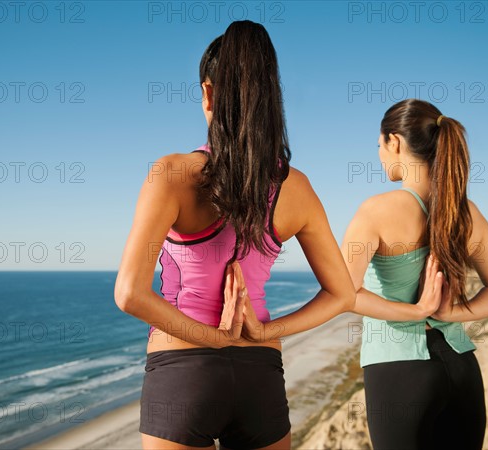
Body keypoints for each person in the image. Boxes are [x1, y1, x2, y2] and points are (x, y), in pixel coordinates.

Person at [114, 21, 357, 450]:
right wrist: (263, 332)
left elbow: (130, 293)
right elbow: (341, 295)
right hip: (260, 373)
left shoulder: (172, 174)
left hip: (181, 370)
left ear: (208, 93)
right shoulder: (296, 186)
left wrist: (214, 337)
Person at [338, 99, 488, 449]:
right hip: (462, 368)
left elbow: (343, 294)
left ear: (395, 142)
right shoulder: (467, 212)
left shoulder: (377, 210)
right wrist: (449, 313)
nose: (380, 155)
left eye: (379, 146)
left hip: (399, 372)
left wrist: (417, 311)